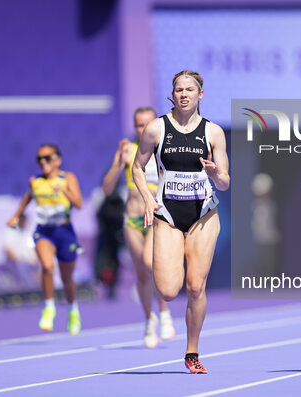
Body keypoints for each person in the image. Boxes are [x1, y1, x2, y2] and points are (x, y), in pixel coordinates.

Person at [132, 70, 230, 373]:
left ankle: (192, 351)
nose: (184, 94)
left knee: (196, 287)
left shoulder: (213, 132)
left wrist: (215, 173)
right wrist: (148, 199)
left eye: (190, 89)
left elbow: (225, 182)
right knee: (168, 290)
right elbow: (138, 167)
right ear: (171, 95)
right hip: (168, 214)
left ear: (200, 95)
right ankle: (166, 313)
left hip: (203, 214)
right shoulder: (155, 129)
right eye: (178, 90)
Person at [103, 107, 176, 348]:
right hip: (132, 220)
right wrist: (117, 163)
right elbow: (106, 189)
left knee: (149, 263)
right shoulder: (128, 150)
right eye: (138, 124)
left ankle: (164, 312)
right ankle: (148, 319)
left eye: (147, 123)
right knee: (141, 275)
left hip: (156, 217)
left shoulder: (165, 148)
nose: (142, 128)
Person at [7, 144, 83, 334]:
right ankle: (49, 307)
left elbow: (79, 203)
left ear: (58, 160)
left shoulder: (68, 178)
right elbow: (28, 197)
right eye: (39, 159)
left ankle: (73, 309)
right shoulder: (35, 181)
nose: (43, 162)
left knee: (67, 279)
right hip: (44, 232)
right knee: (47, 267)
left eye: (47, 158)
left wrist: (64, 190)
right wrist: (16, 215)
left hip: (64, 232)